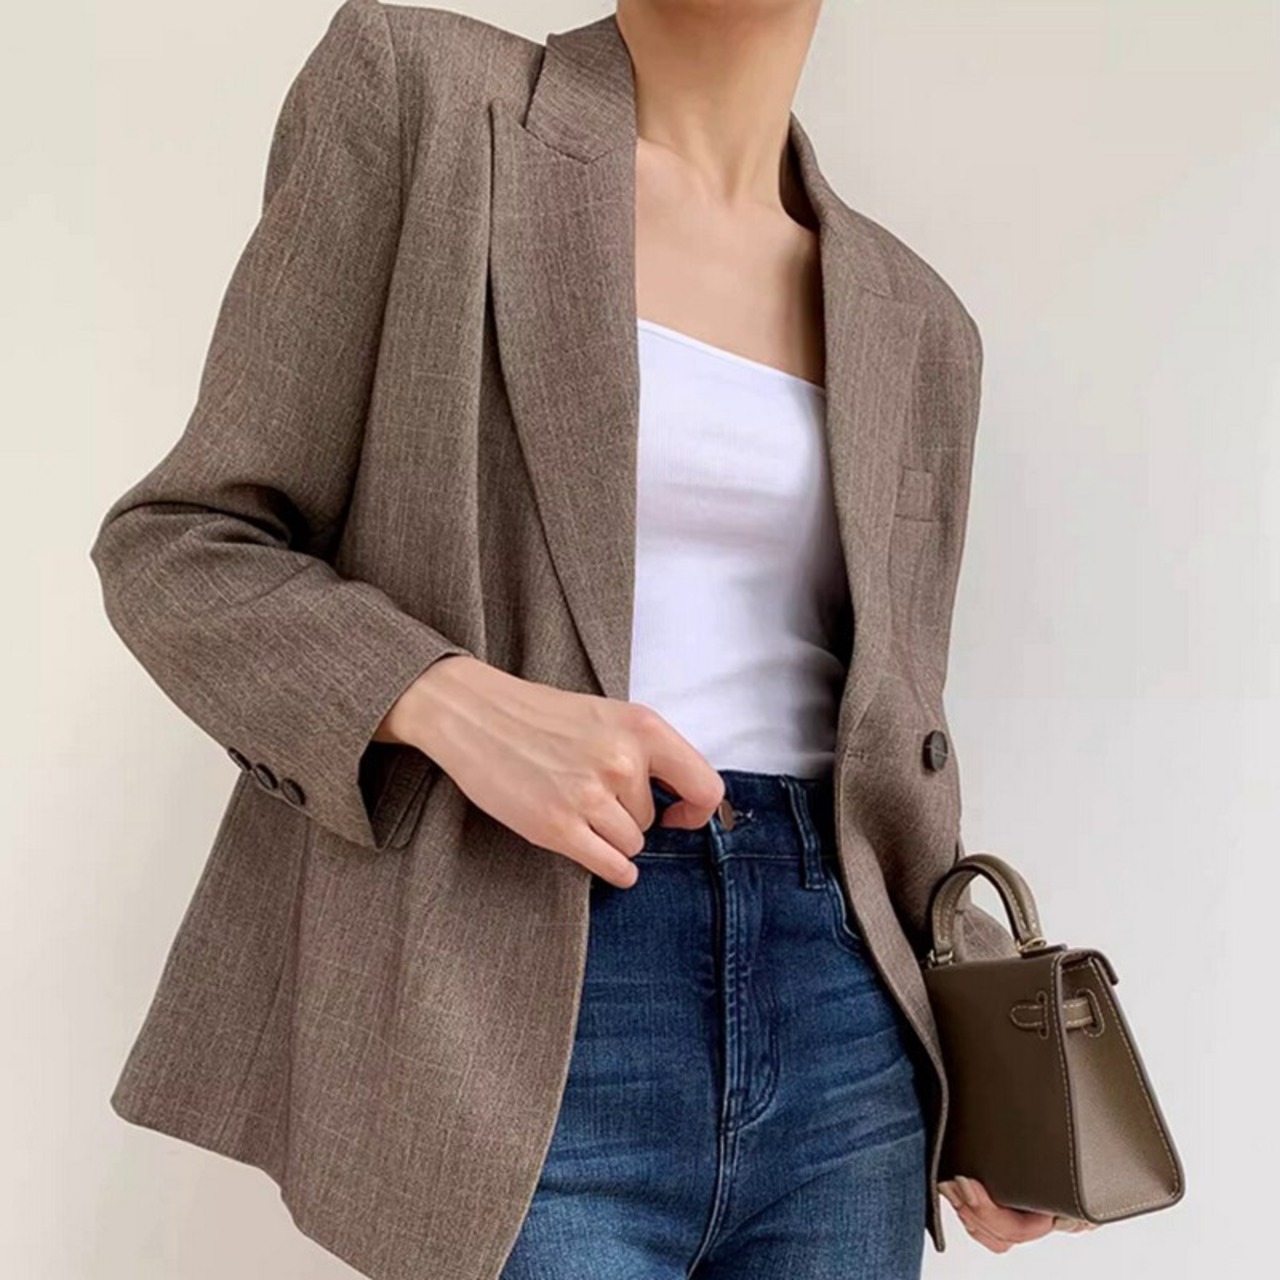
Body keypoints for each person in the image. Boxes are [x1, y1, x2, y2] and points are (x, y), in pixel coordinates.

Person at [90, 1, 1091, 1275]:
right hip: (520, 974)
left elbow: (893, 736)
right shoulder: (428, 102)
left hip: (844, 1022)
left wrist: (972, 1059)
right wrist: (446, 696)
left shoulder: (917, 319)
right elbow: (180, 542)